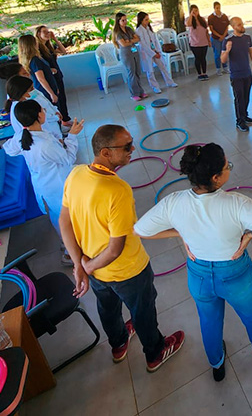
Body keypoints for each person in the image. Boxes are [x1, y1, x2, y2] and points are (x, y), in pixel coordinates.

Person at [134, 143, 252, 381]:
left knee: (209, 321)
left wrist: (181, 233)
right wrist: (249, 236)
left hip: (199, 275)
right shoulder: (237, 203)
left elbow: (140, 230)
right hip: (236, 273)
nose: (229, 168)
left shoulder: (174, 202)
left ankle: (217, 363)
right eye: (227, 166)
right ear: (216, 178)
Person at [59, 124, 185, 370]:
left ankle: (118, 344)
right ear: (106, 153)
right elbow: (116, 248)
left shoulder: (76, 174)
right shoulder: (118, 190)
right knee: (143, 311)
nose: (133, 150)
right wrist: (85, 267)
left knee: (107, 308)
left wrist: (81, 265)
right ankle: (155, 353)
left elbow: (64, 221)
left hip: (94, 269)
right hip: (128, 271)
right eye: (126, 147)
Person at [5, 100, 83, 265]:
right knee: (67, 219)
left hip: (44, 185)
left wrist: (57, 144)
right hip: (57, 186)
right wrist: (72, 136)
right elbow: (68, 159)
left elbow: (9, 149)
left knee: (58, 218)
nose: (45, 111)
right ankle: (70, 254)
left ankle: (67, 246)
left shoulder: (21, 136)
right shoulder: (44, 145)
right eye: (42, 110)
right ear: (38, 116)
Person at [221, 17, 252, 133]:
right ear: (233, 27)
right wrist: (227, 50)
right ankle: (239, 121)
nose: (242, 26)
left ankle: (245, 116)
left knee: (246, 97)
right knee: (239, 98)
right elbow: (223, 60)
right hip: (236, 76)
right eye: (239, 25)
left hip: (247, 73)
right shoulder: (228, 40)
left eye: (242, 24)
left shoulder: (247, 37)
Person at [3, 75, 62, 141]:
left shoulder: (22, 104)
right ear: (22, 93)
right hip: (44, 140)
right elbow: (42, 124)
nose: (34, 90)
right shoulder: (22, 109)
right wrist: (55, 117)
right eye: (31, 89)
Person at [35, 25, 71, 125]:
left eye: (48, 32)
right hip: (50, 78)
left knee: (62, 98)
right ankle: (60, 121)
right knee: (56, 101)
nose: (48, 34)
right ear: (38, 34)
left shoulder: (49, 47)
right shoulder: (37, 49)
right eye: (45, 32)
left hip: (57, 75)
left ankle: (65, 119)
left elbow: (63, 51)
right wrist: (49, 70)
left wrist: (55, 39)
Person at [18, 34, 63, 111]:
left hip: (48, 88)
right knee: (54, 111)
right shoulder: (35, 60)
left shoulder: (34, 59)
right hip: (45, 91)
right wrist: (51, 93)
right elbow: (41, 79)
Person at [135, 12, 177, 93]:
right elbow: (143, 45)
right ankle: (155, 87)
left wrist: (157, 51)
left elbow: (155, 40)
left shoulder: (149, 28)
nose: (148, 21)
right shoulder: (139, 30)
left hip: (155, 51)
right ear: (141, 20)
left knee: (163, 67)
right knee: (150, 71)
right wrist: (153, 53)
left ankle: (170, 82)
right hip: (147, 53)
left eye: (148, 19)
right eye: (146, 20)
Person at [112, 12, 147, 101]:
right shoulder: (117, 33)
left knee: (137, 72)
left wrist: (129, 41)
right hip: (126, 54)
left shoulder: (129, 29)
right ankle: (134, 94)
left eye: (126, 20)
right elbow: (123, 44)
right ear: (118, 21)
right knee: (131, 73)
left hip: (134, 52)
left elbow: (137, 38)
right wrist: (131, 41)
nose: (125, 22)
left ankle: (140, 91)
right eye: (123, 20)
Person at [186, 5, 211, 81]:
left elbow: (206, 31)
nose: (195, 12)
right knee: (198, 58)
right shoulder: (188, 19)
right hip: (194, 43)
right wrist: (191, 15)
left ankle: (204, 73)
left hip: (204, 42)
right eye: (193, 11)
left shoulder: (202, 19)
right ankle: (199, 74)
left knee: (203, 58)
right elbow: (188, 24)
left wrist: (209, 41)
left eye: (196, 11)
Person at [208, 2, 230, 75]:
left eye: (219, 8)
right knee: (217, 54)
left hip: (224, 38)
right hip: (216, 39)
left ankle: (225, 67)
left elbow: (227, 27)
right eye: (217, 8)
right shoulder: (211, 17)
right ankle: (218, 69)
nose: (218, 9)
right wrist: (219, 36)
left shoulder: (224, 16)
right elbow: (211, 29)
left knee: (224, 53)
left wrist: (223, 36)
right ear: (214, 8)